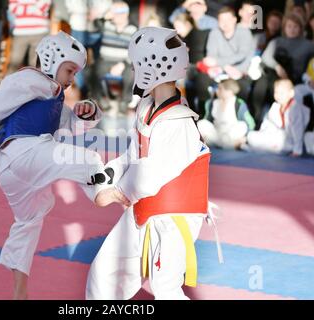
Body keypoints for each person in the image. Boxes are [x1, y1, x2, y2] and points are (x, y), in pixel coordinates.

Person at [0, 32, 128, 300]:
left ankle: (20, 289)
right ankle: (100, 191)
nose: (72, 79)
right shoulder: (31, 79)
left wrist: (87, 114)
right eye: (69, 70)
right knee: (87, 159)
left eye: (75, 73)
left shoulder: (52, 94)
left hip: (12, 170)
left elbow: (68, 126)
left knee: (31, 218)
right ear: (52, 60)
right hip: (23, 152)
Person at [86, 27, 216, 300]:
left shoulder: (178, 121)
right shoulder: (147, 106)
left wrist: (115, 192)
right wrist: (107, 174)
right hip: (146, 205)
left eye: (136, 65)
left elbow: (150, 174)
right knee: (104, 273)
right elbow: (135, 155)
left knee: (165, 287)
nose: (134, 72)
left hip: (174, 214)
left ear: (151, 66)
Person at [246, 79, 310, 156]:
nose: (278, 96)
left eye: (282, 93)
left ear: (291, 93)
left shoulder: (295, 109)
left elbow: (298, 131)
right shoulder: (275, 107)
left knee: (280, 142)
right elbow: (267, 124)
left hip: (289, 140)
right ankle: (268, 147)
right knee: (251, 136)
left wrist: (297, 151)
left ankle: (274, 148)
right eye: (276, 92)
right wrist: (264, 134)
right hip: (274, 136)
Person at [198, 79, 255, 149]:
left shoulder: (239, 104)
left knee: (243, 125)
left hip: (231, 134)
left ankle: (218, 144)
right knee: (201, 123)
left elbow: (250, 123)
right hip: (216, 132)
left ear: (229, 91)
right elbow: (207, 119)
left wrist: (245, 137)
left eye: (220, 89)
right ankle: (231, 145)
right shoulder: (211, 103)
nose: (217, 91)